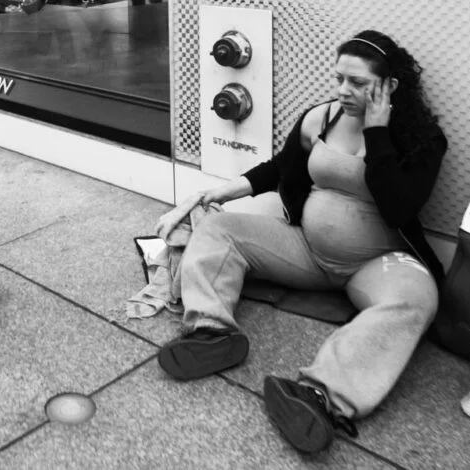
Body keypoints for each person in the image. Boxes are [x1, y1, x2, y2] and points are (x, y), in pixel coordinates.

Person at [154, 29, 447, 454]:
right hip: (306, 250)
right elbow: (280, 168)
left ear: (390, 86)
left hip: (377, 263)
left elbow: (399, 207)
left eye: (358, 83)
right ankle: (212, 333)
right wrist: (217, 193)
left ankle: (320, 396)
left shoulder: (422, 139)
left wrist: (377, 133)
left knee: (417, 298)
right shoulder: (322, 118)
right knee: (217, 229)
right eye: (339, 78)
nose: (343, 90)